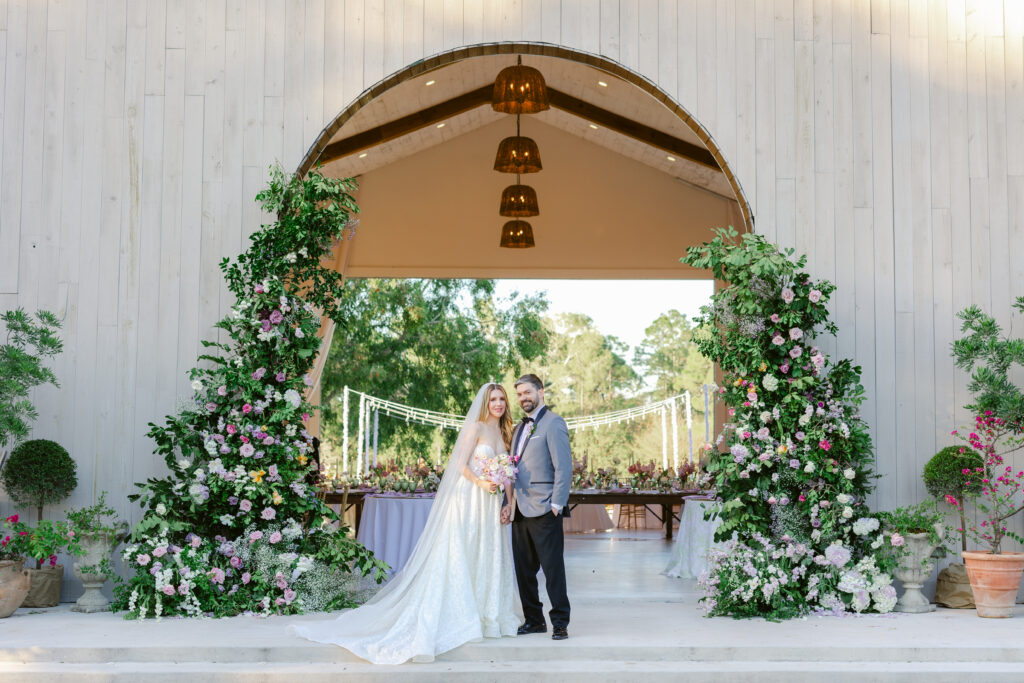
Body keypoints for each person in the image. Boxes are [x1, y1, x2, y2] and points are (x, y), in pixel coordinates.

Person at [289, 383, 523, 664]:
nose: (498, 404)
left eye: (501, 399)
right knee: (464, 552)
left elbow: (508, 472)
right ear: (485, 403)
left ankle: (489, 615)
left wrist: (509, 502)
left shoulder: (505, 431)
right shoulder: (476, 427)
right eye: (493, 399)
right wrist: (481, 481)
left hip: (491, 503)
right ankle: (463, 614)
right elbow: (459, 464)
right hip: (470, 499)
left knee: (488, 554)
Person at [501, 373, 572, 641]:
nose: (523, 398)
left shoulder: (554, 423)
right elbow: (511, 469)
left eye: (527, 393)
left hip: (544, 508)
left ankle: (560, 622)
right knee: (524, 570)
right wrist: (507, 503)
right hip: (520, 508)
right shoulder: (518, 428)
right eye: (519, 395)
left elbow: (563, 467)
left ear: (541, 392)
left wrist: (556, 504)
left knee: (553, 570)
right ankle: (534, 620)